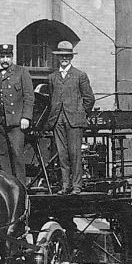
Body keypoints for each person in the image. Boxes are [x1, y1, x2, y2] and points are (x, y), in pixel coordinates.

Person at [47, 40, 96, 193]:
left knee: (75, 154)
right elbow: (51, 98)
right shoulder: (52, 77)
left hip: (74, 121)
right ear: (58, 57)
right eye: (62, 56)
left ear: (71, 57)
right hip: (58, 120)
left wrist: (80, 112)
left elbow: (89, 98)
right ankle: (65, 185)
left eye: (67, 56)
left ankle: (76, 186)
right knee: (62, 155)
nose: (64, 59)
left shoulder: (80, 75)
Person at [0, 44, 34, 184]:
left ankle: (21, 187)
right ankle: (7, 187)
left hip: (16, 122)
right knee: (2, 155)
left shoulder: (21, 72)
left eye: (8, 57)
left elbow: (29, 97)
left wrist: (26, 117)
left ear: (12, 57)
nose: (5, 60)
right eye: (2, 57)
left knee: (17, 154)